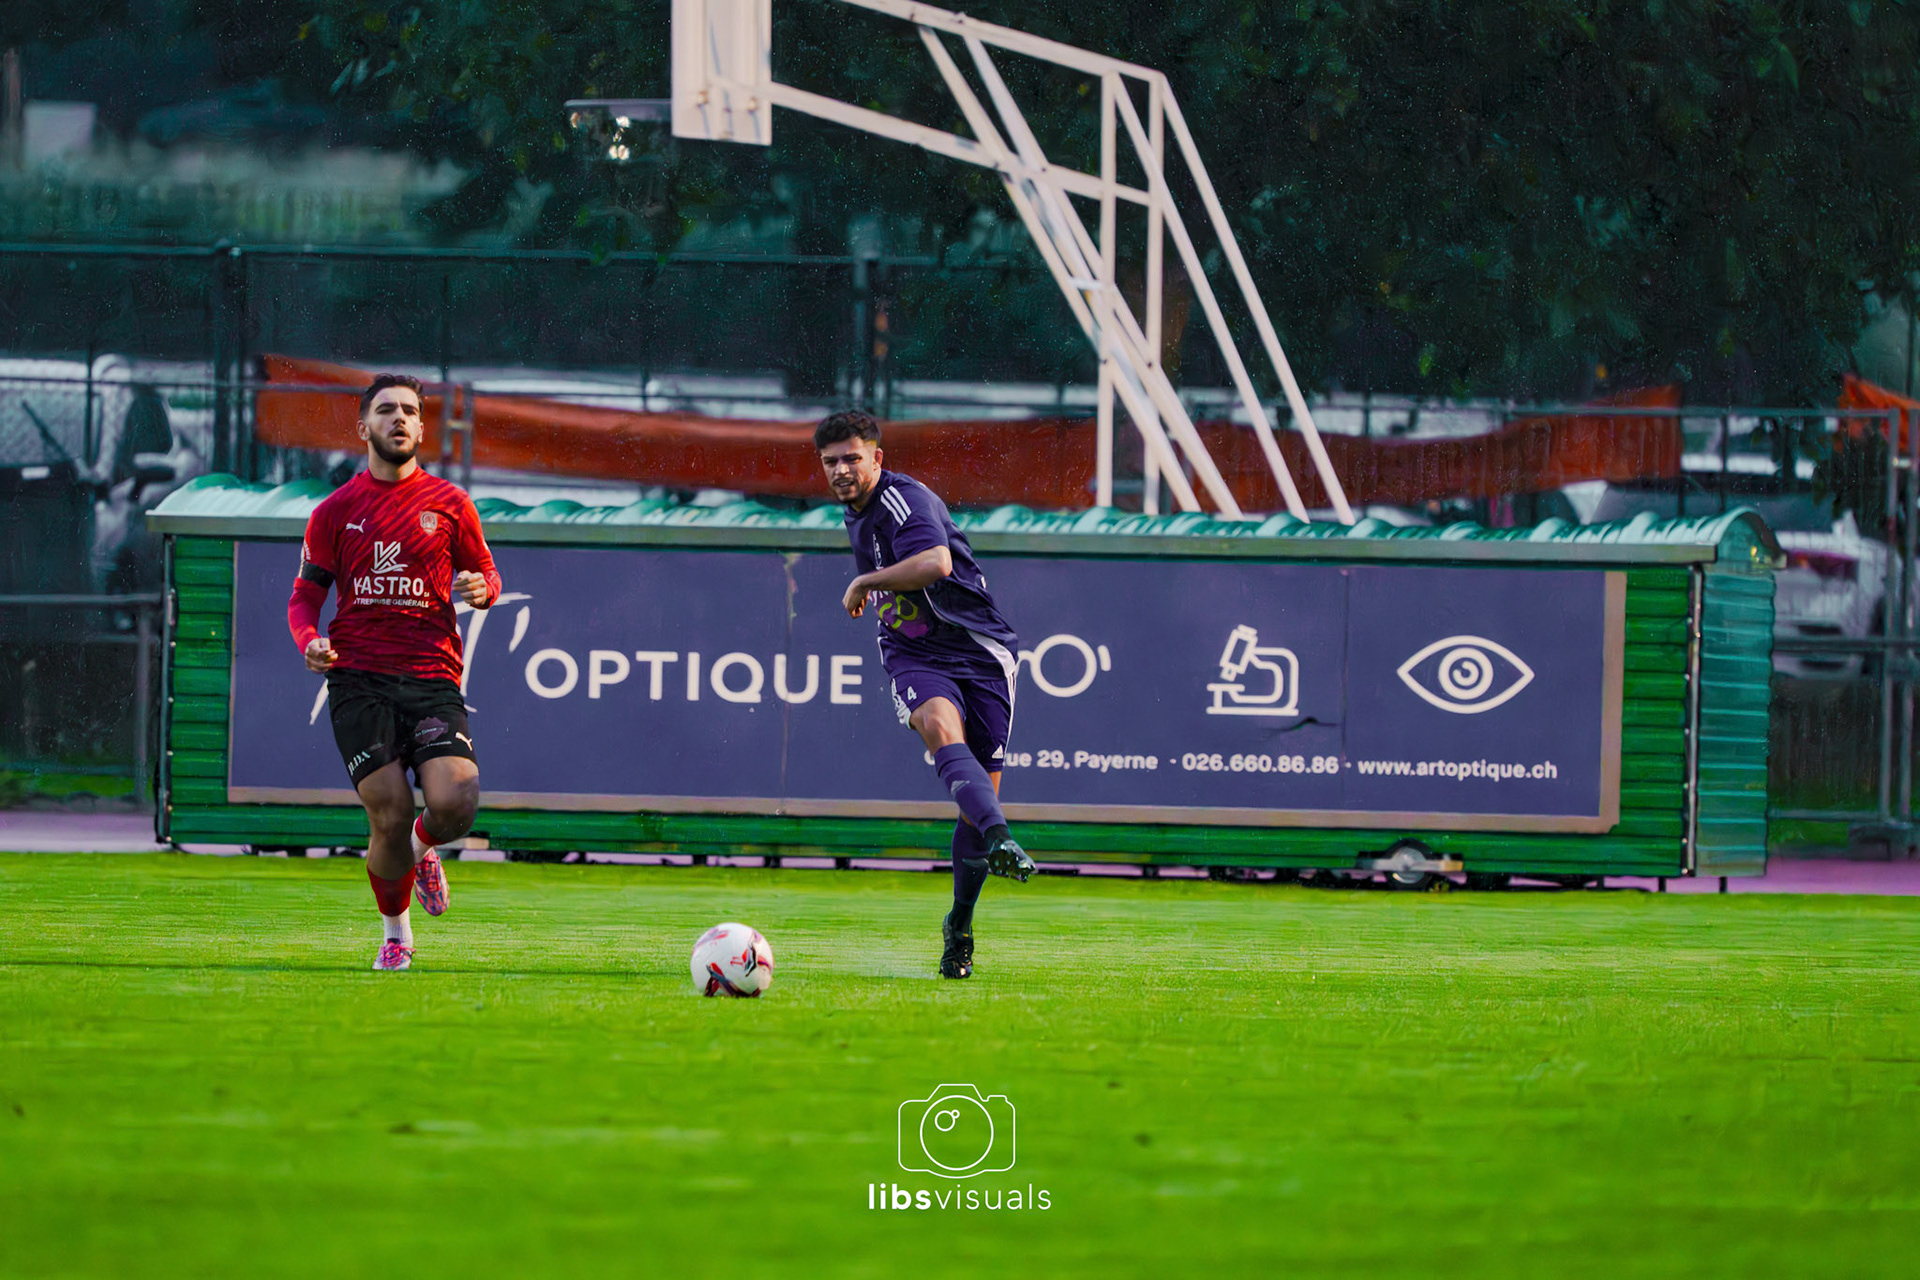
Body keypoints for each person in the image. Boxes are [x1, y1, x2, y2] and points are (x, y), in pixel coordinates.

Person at [287, 373, 502, 971]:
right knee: (388, 811)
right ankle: (397, 935)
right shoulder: (335, 511)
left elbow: (488, 575)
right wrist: (310, 642)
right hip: (359, 680)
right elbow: (304, 600)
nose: (400, 419)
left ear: (421, 427)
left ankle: (420, 852)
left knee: (457, 802)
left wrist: (482, 588)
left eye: (410, 410)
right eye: (387, 410)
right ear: (365, 427)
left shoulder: (452, 504)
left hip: (431, 677)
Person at [816, 409, 1035, 980]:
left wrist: (865, 581)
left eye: (851, 458)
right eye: (830, 461)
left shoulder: (901, 499)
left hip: (981, 650)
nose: (841, 470)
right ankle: (1003, 838)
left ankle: (959, 923)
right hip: (913, 652)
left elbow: (937, 563)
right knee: (938, 725)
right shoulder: (854, 510)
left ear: (877, 458)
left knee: (979, 794)